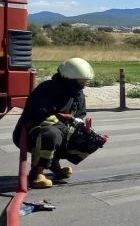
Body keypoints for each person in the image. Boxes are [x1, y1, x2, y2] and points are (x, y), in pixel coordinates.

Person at [12, 57, 108, 189]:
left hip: (60, 130)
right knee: (52, 134)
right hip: (33, 133)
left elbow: (79, 115)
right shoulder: (46, 89)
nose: (85, 83)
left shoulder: (78, 94)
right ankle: (37, 173)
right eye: (82, 80)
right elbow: (39, 115)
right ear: (69, 79)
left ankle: (53, 164)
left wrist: (85, 131)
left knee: (89, 139)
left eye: (86, 80)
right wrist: (62, 119)